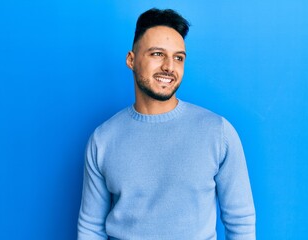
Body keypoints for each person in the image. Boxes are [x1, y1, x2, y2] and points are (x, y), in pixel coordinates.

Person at [77, 8, 255, 240]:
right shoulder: (103, 138)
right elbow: (90, 227)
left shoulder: (218, 132)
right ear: (131, 60)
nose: (169, 67)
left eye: (178, 58)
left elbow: (240, 221)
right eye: (157, 54)